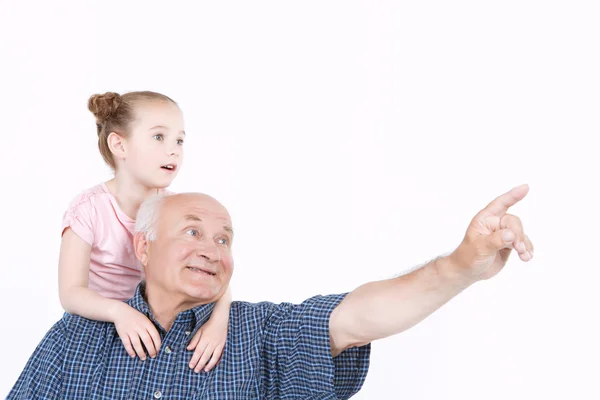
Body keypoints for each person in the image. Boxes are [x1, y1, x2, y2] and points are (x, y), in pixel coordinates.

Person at [7, 185, 534, 399]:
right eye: (192, 231)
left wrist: (461, 265)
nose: (212, 249)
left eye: (224, 238)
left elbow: (358, 317)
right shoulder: (80, 337)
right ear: (142, 248)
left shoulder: (259, 333)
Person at [57, 91, 231, 373]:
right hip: (106, 326)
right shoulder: (88, 209)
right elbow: (71, 294)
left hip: (165, 327)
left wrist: (218, 323)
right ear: (119, 144)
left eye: (179, 140)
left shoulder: (176, 209)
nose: (174, 150)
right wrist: (120, 312)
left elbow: (212, 267)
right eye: (159, 137)